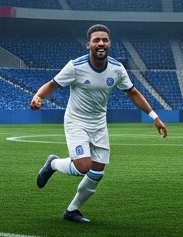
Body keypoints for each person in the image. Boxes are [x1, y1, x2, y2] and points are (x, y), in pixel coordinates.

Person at [31, 24, 168, 223]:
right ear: (88, 44)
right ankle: (52, 164)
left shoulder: (117, 69)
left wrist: (155, 117)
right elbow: (52, 84)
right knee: (84, 166)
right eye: (96, 40)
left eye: (104, 40)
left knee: (97, 170)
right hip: (76, 121)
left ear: (109, 43)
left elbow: (132, 92)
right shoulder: (76, 67)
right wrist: (38, 97)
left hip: (99, 123)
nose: (101, 43)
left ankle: (72, 210)